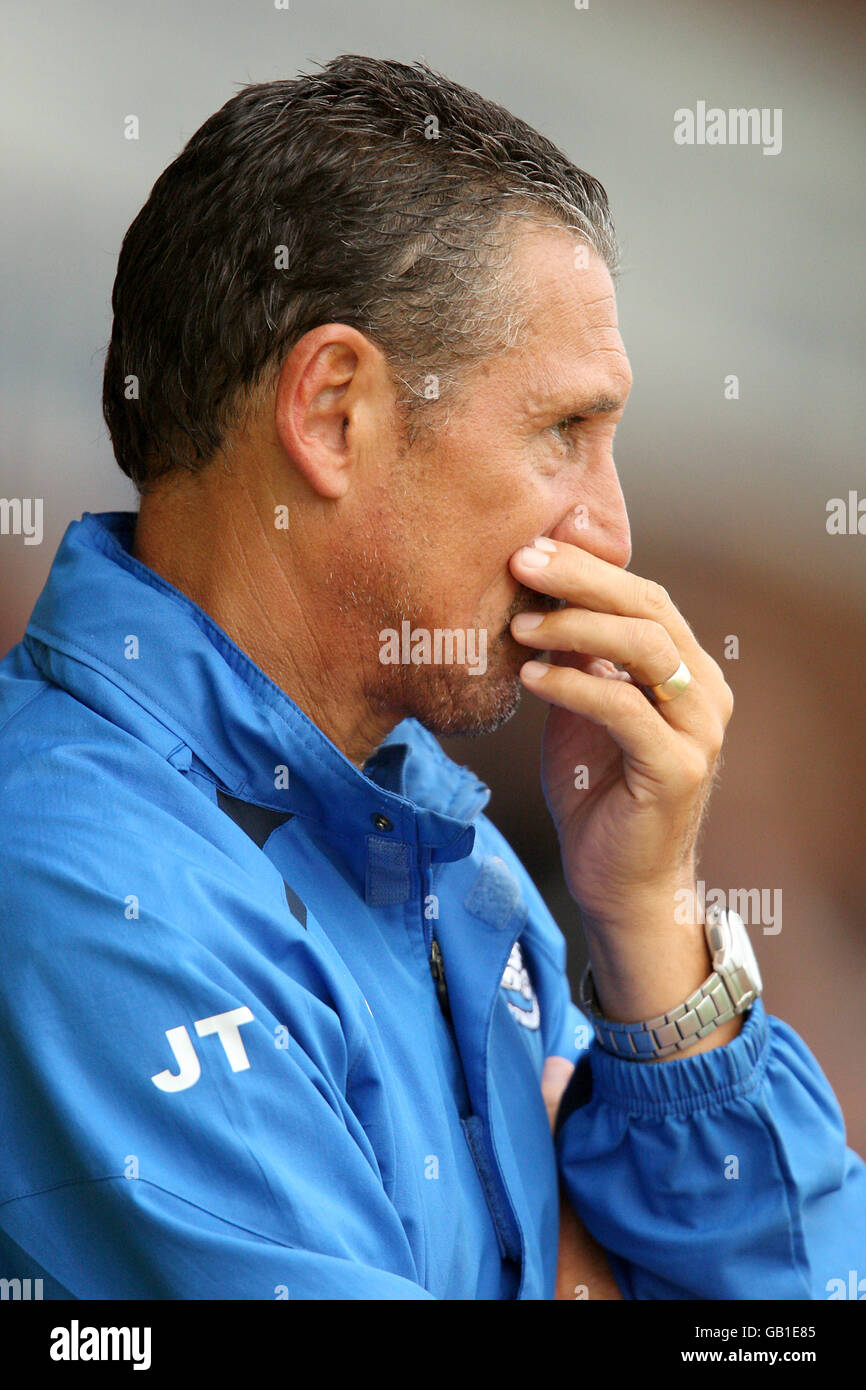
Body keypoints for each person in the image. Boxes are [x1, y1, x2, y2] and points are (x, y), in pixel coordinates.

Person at [0, 54, 862, 1301]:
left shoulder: (442, 846)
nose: (609, 532)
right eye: (562, 431)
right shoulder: (71, 883)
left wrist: (646, 925)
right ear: (335, 413)